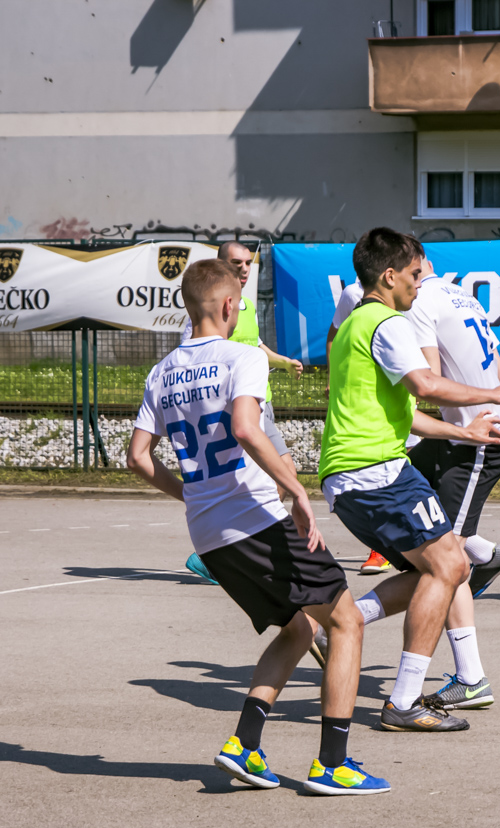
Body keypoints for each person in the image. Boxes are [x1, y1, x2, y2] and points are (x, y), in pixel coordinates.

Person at [128, 258, 388, 796]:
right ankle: (333, 764)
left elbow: (137, 458)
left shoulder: (162, 371)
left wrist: (191, 493)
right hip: (256, 518)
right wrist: (295, 490)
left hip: (208, 534)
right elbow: (246, 428)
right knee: (346, 622)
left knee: (299, 627)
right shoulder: (243, 356)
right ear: (229, 306)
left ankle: (244, 745)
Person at [321, 228, 500, 732]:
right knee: (451, 563)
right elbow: (426, 384)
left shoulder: (351, 327)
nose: (419, 282)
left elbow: (405, 413)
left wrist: (469, 432)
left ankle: (346, 619)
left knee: (429, 572)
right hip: (379, 472)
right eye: (413, 274)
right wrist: (492, 394)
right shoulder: (387, 325)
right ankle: (405, 701)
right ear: (389, 276)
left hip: (348, 478)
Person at [180, 240, 303, 585]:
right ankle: (250, 555)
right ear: (220, 266)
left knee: (282, 479)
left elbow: (255, 345)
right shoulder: (204, 314)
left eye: (249, 263)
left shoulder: (245, 306)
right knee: (282, 477)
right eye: (236, 263)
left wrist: (281, 361)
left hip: (261, 401)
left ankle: (230, 554)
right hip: (239, 408)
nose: (245, 269)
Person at [329, 278, 392, 577]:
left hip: (402, 387)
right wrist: (332, 376)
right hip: (368, 394)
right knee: (381, 469)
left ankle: (467, 546)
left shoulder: (414, 294)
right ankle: (380, 549)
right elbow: (334, 333)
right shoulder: (352, 294)